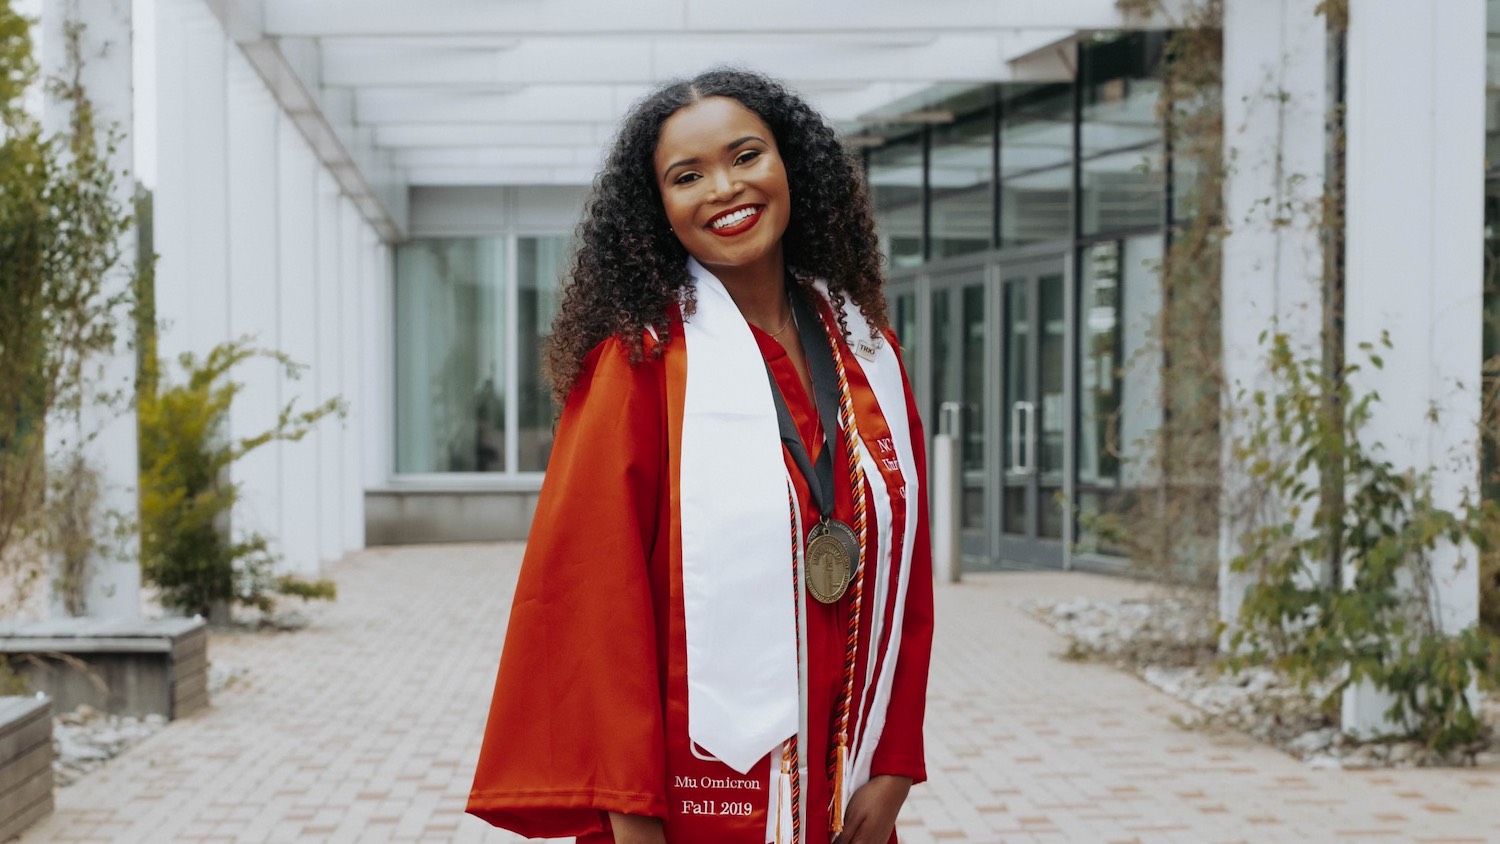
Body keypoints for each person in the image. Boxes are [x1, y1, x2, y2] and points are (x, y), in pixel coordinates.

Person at [467, 68, 934, 844]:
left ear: (791, 166)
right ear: (660, 210)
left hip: (844, 780)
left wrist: (893, 765)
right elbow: (595, 600)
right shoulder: (641, 364)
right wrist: (632, 818)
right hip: (695, 803)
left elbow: (907, 568)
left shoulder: (868, 355)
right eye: (687, 176)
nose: (724, 188)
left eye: (745, 156)